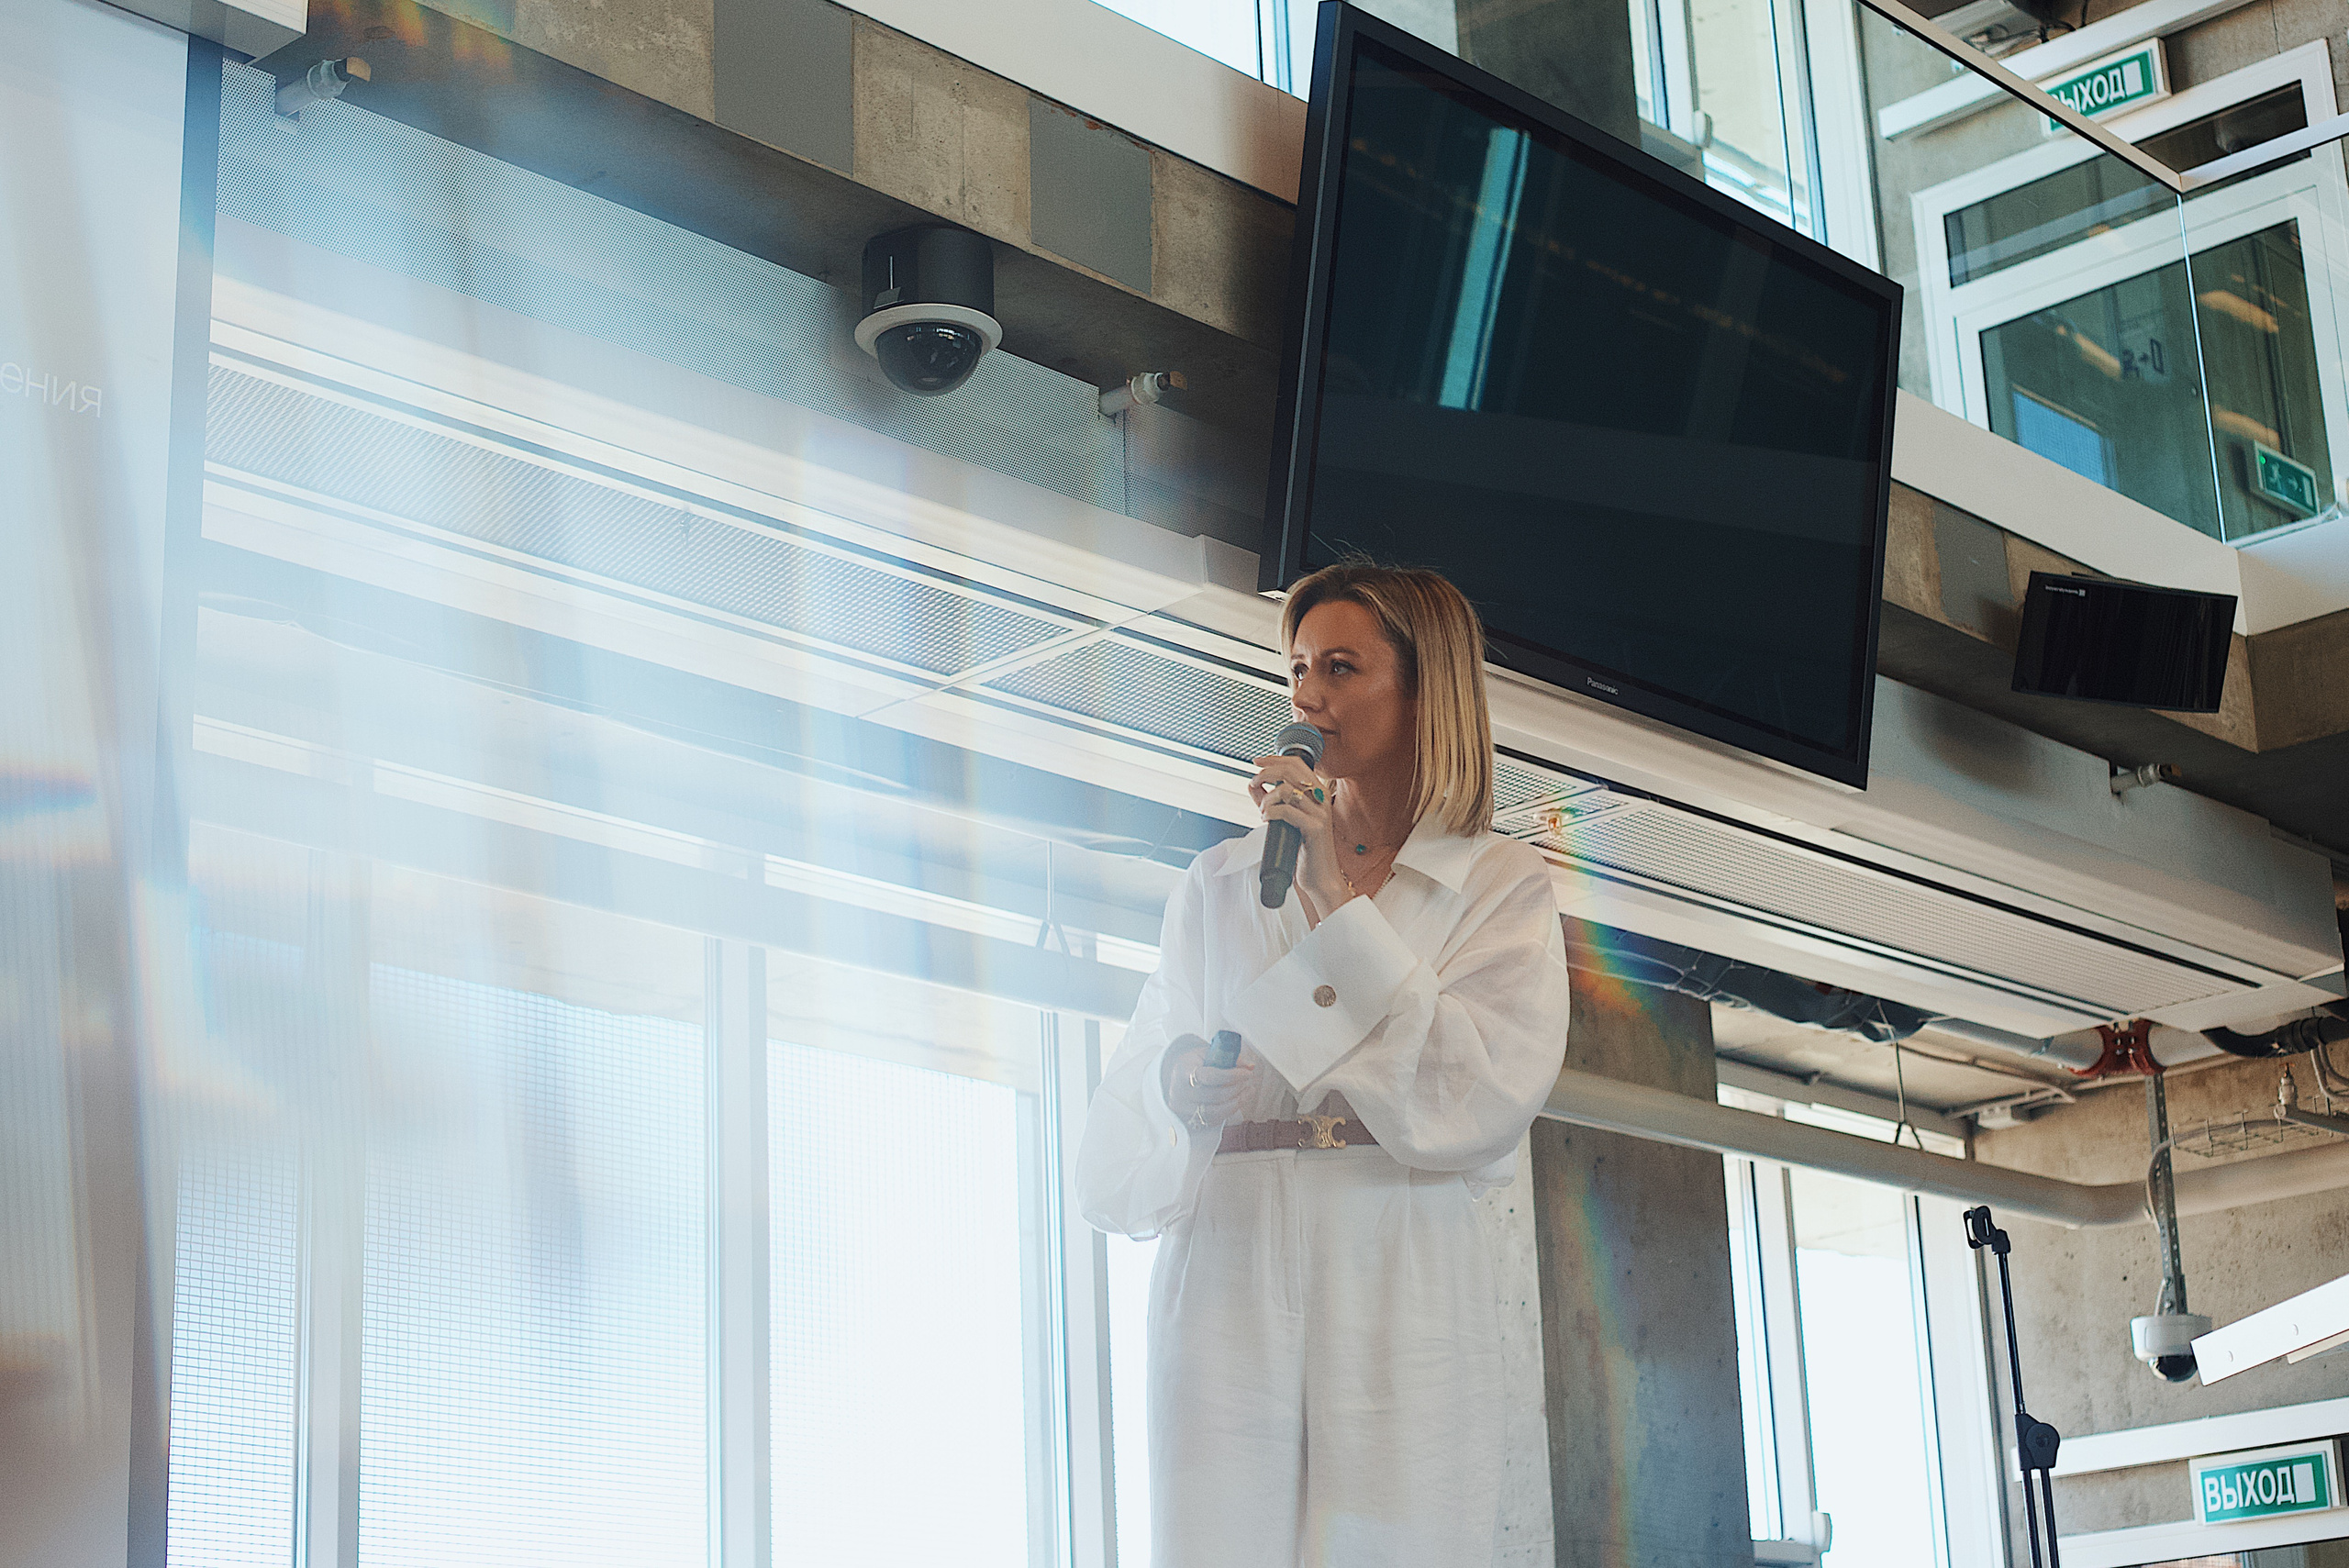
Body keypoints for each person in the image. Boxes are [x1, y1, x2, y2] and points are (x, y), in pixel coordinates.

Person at [1075, 562, 1572, 1568]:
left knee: (1403, 1538)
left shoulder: (1496, 881)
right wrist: (1181, 1081)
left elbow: (1481, 1093)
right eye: (1298, 667)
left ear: (1424, 687)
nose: (1304, 697)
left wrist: (1337, 896)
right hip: (1229, 1240)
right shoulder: (1218, 880)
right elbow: (1138, 1078)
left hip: (1395, 1232)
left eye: (1339, 667)